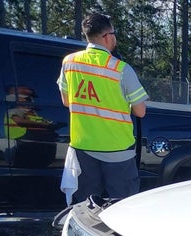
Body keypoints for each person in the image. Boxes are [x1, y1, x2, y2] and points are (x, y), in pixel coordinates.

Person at [58, 13, 148, 203]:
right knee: (122, 206)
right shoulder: (121, 69)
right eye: (114, 33)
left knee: (85, 207)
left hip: (83, 148)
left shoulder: (69, 63)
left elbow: (66, 101)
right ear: (107, 36)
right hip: (117, 150)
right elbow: (140, 111)